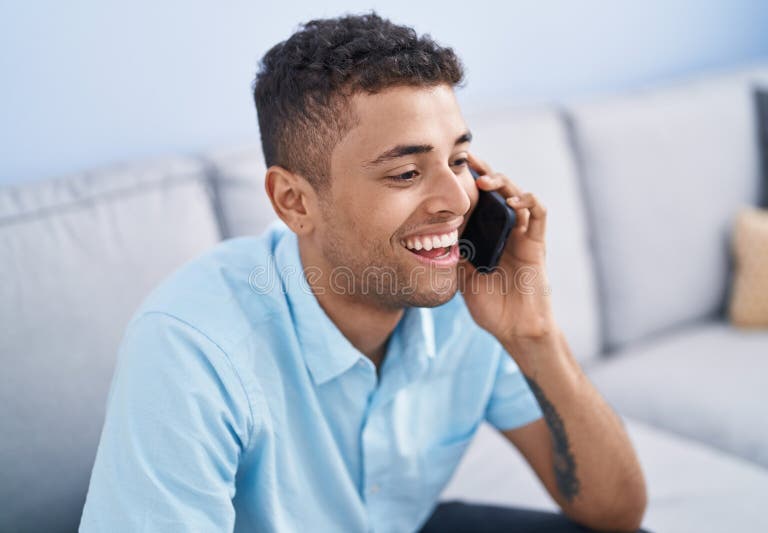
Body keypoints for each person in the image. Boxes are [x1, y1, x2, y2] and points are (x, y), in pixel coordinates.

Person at [79, 11, 649, 533]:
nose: (457, 200)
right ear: (295, 202)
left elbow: (615, 512)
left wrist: (535, 335)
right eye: (405, 172)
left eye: (457, 161)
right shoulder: (191, 347)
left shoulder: (466, 297)